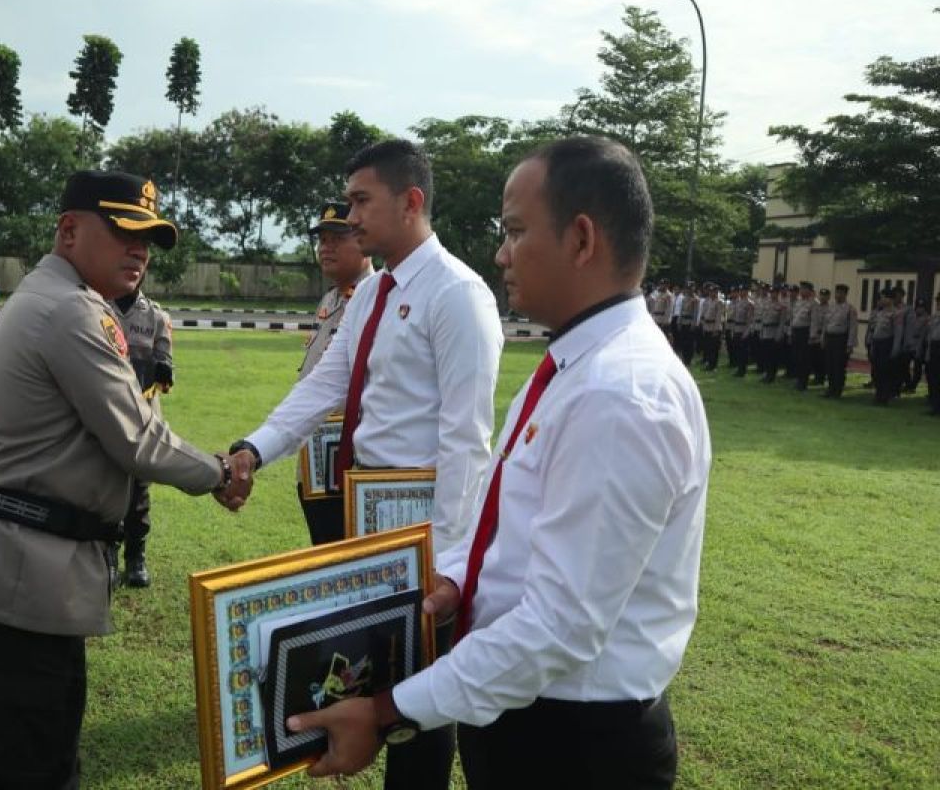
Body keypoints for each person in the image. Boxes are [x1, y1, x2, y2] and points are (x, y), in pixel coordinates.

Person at [290, 136, 710, 790]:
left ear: (580, 239)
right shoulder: (576, 367)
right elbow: (509, 524)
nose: (501, 254)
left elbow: (557, 629)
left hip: (576, 746)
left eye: (515, 232)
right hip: (531, 720)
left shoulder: (619, 396)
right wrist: (454, 579)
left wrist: (383, 711)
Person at [0, 170, 252, 788]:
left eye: (149, 240)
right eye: (124, 232)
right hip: (22, 571)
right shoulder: (69, 310)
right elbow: (136, 438)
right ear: (70, 230)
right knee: (33, 767)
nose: (139, 249)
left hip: (21, 568)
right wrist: (218, 471)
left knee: (30, 757)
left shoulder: (57, 299)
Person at [229, 139, 504, 790]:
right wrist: (254, 448)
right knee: (380, 667)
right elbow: (325, 384)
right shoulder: (374, 292)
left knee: (421, 687)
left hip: (423, 526)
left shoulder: (458, 294)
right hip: (368, 515)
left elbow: (467, 437)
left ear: (411, 202)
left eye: (361, 200)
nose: (350, 217)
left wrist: (448, 559)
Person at [296, 201, 374, 546]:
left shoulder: (375, 300)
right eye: (322, 239)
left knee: (343, 552)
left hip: (349, 458)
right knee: (322, 545)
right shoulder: (330, 300)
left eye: (336, 238)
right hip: (316, 452)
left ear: (363, 239)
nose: (325, 247)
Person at [111, 271, 176, 588]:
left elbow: (165, 363)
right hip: (103, 415)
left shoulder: (156, 316)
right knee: (103, 488)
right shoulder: (96, 306)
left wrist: (162, 367)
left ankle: (136, 558)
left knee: (138, 495)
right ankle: (106, 554)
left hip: (142, 419)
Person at [822, 284, 858, 398]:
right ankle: (830, 388)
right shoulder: (830, 307)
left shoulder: (850, 309)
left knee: (838, 365)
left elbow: (853, 327)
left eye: (840, 293)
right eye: (836, 292)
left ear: (845, 294)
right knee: (829, 364)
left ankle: (838, 389)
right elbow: (825, 324)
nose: (837, 295)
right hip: (830, 337)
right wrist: (823, 338)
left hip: (841, 339)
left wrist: (850, 344)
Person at [924, 292, 940, 415]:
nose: (938, 304)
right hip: (934, 347)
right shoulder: (934, 317)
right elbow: (930, 336)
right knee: (932, 377)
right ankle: (935, 405)